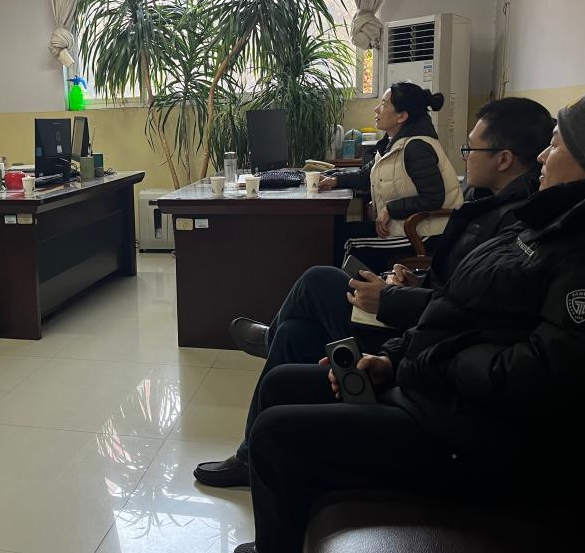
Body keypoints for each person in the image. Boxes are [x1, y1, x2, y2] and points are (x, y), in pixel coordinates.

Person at [222, 81, 585, 553]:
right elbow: (460, 309)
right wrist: (394, 359)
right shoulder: (557, 220)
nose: (544, 156)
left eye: (557, 145)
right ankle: (284, 547)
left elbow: (536, 374)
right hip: (441, 392)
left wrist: (425, 359)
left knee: (278, 430)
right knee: (286, 375)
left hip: (475, 436)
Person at [194, 97, 554, 489]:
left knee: (319, 279)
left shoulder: (512, 224)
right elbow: (462, 288)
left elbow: (469, 312)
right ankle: (255, 454)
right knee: (295, 334)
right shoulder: (488, 203)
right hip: (418, 317)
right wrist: (416, 282)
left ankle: (267, 354)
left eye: (471, 149)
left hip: (414, 339)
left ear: (504, 159)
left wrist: (390, 299)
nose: (464, 157)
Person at [322, 82, 463, 271]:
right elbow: (366, 175)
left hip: (424, 234)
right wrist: (335, 179)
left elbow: (433, 198)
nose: (376, 109)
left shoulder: (416, 147)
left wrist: (390, 209)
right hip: (402, 227)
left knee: (346, 240)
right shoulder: (393, 144)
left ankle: (348, 289)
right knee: (335, 233)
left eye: (383, 104)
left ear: (402, 116)